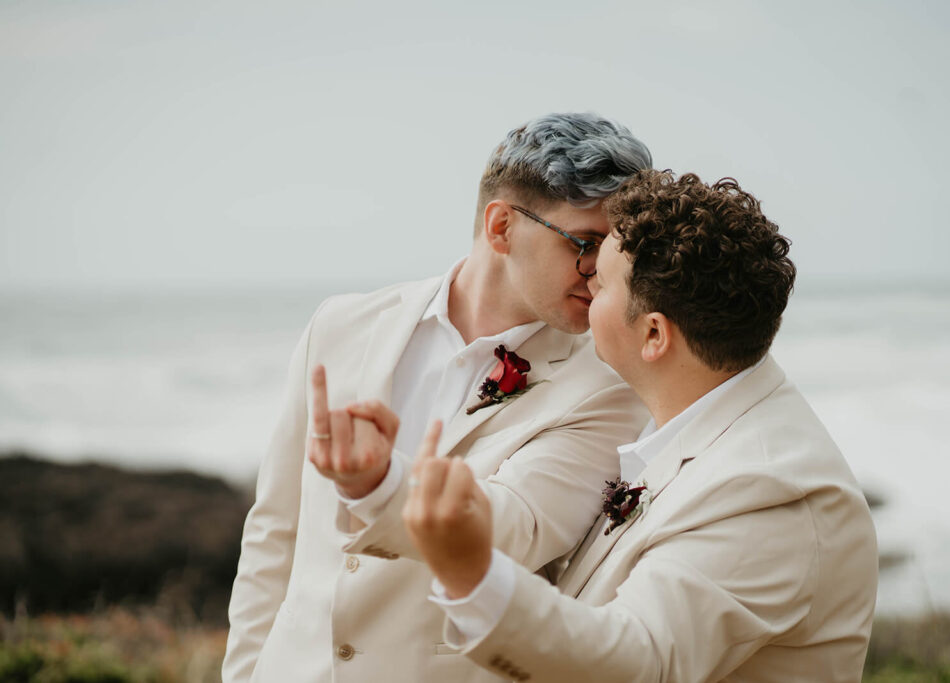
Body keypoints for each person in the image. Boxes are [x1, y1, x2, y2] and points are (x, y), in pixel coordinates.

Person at [222, 113, 653, 682]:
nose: (600, 273)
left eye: (617, 250)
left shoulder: (611, 387)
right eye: (586, 243)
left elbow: (515, 532)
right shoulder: (340, 325)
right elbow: (275, 530)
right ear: (501, 227)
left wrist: (380, 484)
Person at [402, 170, 879, 682]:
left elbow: (639, 662)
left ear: (654, 333)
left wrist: (473, 574)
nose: (583, 281)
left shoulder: (766, 489)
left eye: (601, 281)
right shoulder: (702, 426)